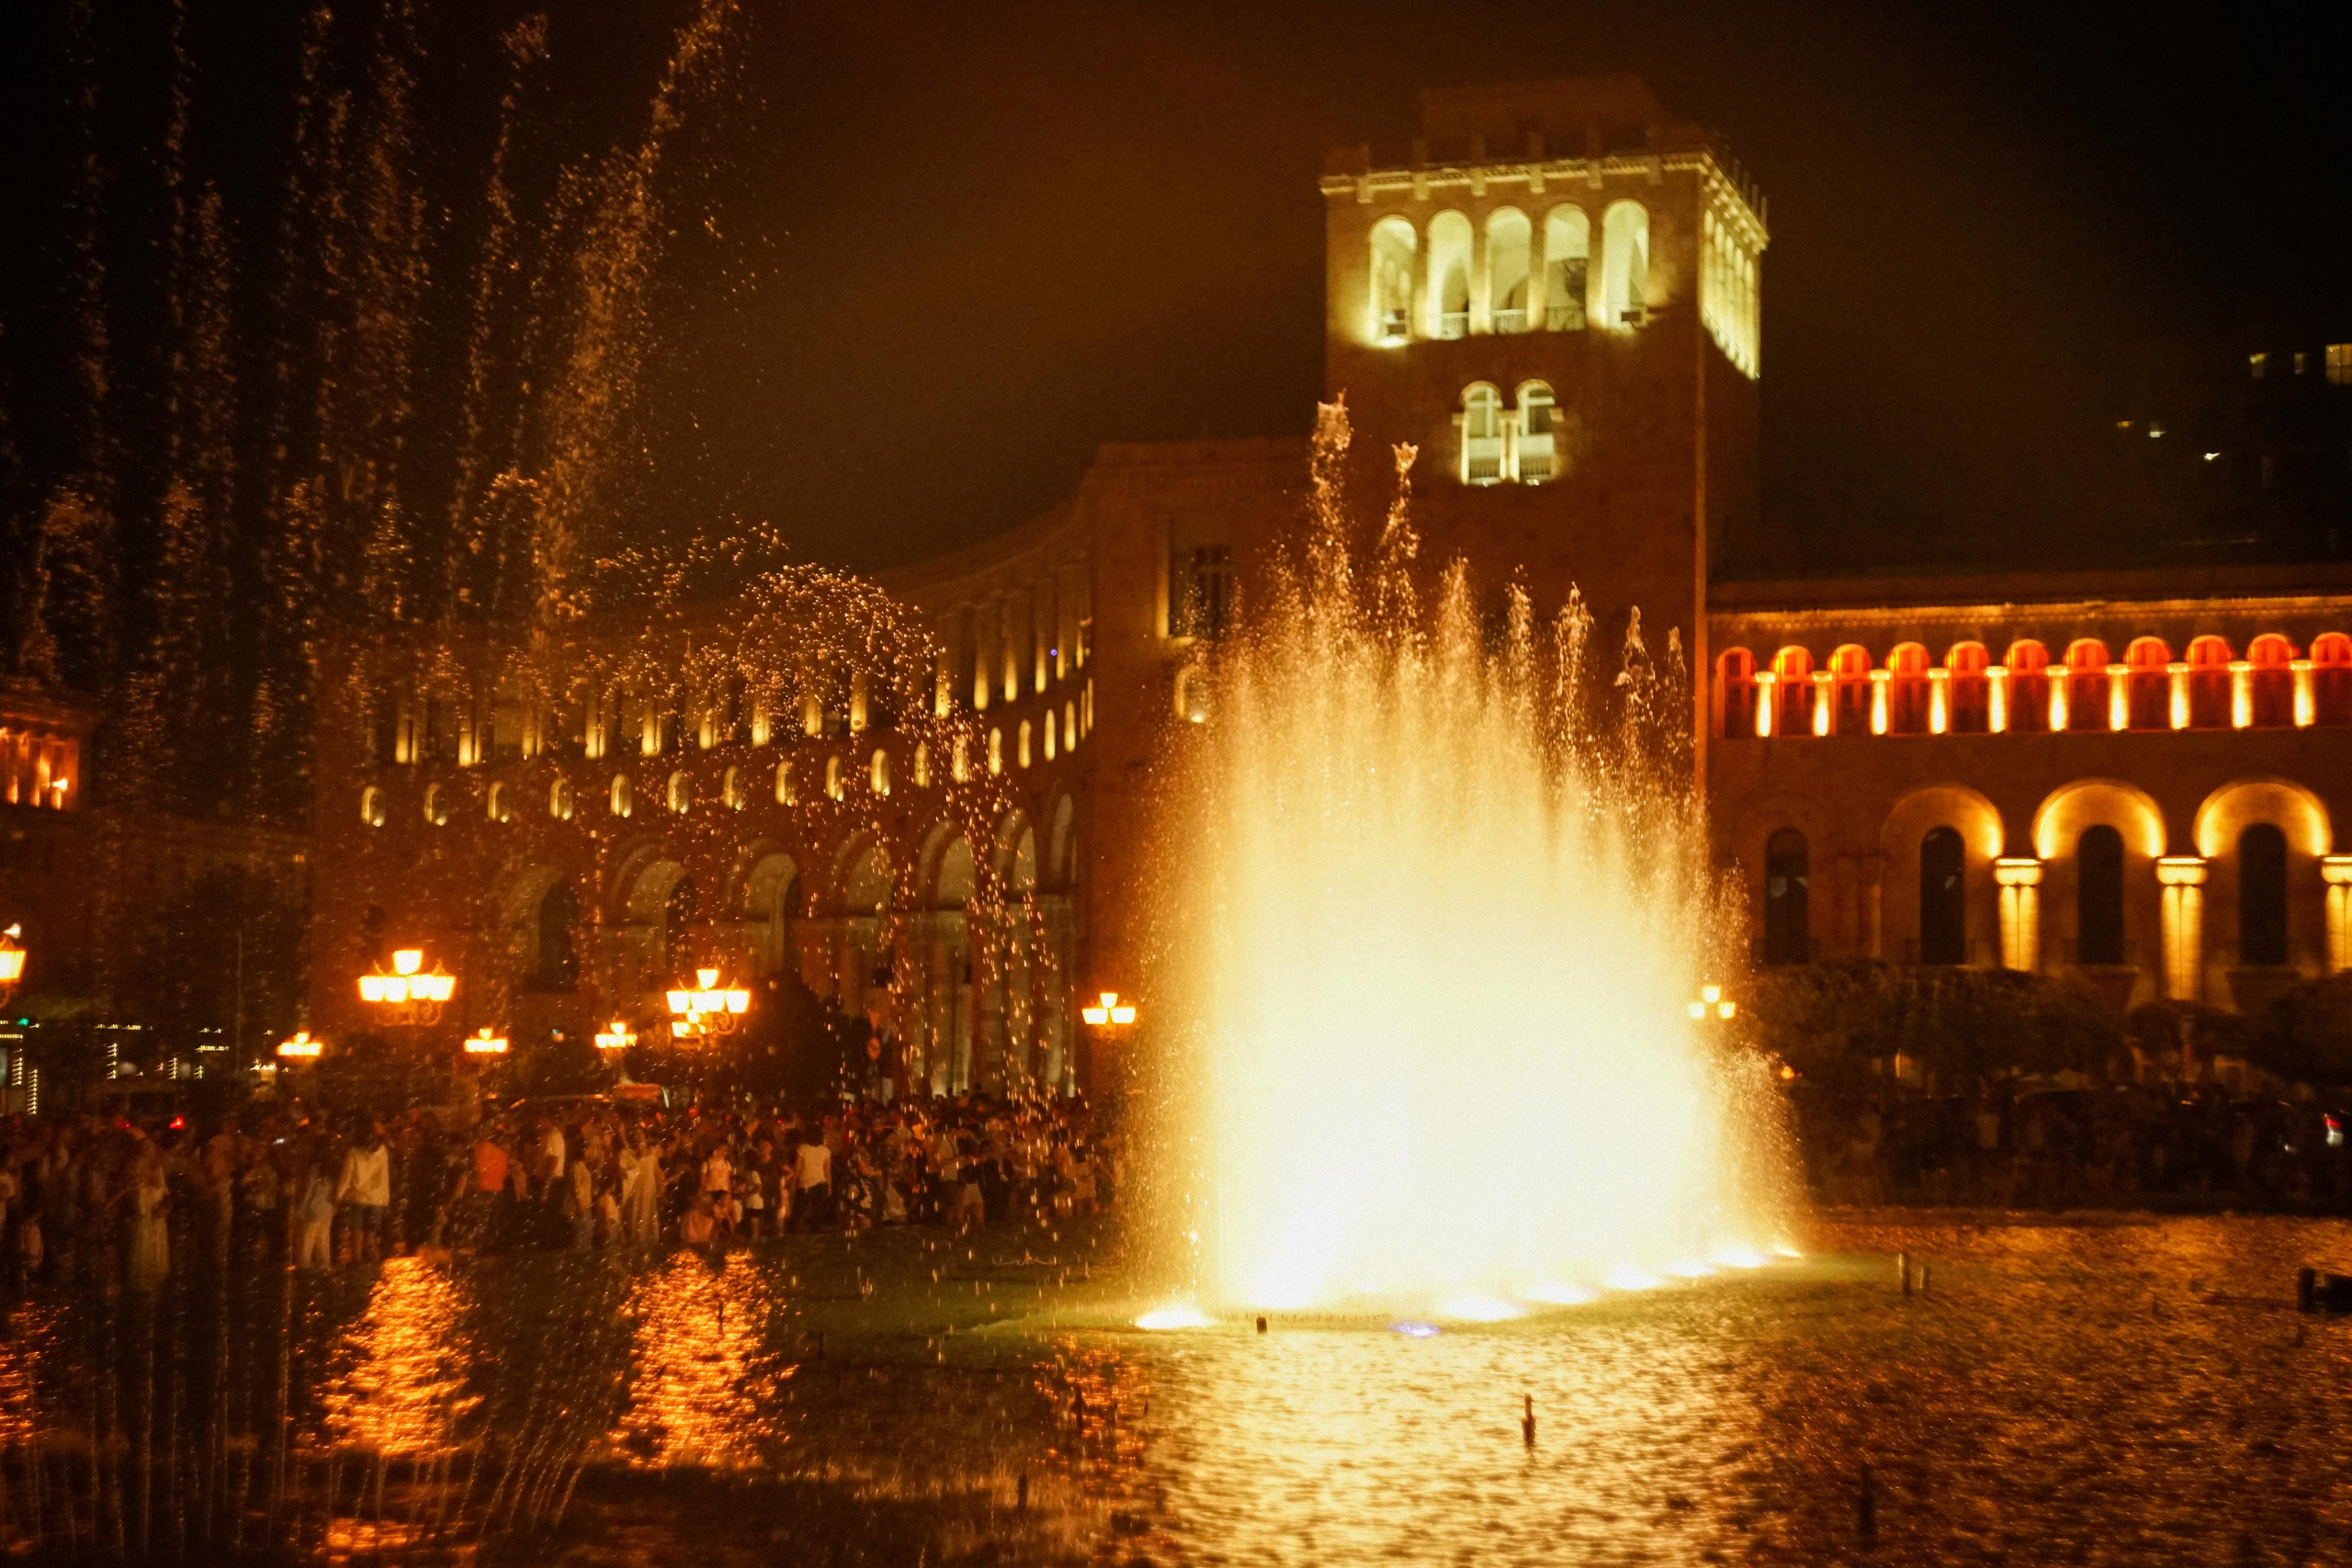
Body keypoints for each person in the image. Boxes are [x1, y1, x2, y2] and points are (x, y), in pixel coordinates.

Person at [338, 1126, 393, 1263]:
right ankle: (375, 1268)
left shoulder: (353, 1153)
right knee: (371, 1239)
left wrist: (337, 1197)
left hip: (357, 1198)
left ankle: (357, 1268)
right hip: (377, 1200)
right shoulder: (383, 1152)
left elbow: (345, 1178)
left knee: (357, 1239)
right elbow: (385, 1177)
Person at [122, 1146, 170, 1292]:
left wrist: (165, 1207)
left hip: (156, 1223)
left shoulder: (157, 1169)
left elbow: (166, 1194)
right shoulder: (135, 1175)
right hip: (143, 1224)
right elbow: (137, 1205)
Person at [293, 1161, 336, 1270]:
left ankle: (304, 1272)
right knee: (323, 1244)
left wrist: (300, 1211)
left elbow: (308, 1192)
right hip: (326, 1211)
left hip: (312, 1212)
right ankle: (323, 1271)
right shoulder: (332, 1170)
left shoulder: (314, 1169)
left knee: (306, 1245)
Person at [795, 1129, 832, 1231]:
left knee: (804, 1210)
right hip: (820, 1182)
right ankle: (816, 1230)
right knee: (817, 1210)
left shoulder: (802, 1149)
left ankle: (801, 1230)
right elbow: (827, 1171)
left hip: (805, 1182)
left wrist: (794, 1183)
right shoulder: (825, 1150)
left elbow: (797, 1169)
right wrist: (829, 1187)